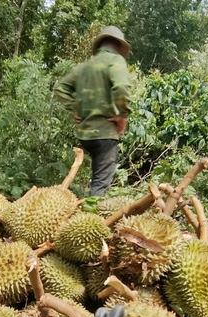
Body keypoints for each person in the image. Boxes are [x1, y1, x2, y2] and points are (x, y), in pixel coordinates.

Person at [54, 26, 133, 197]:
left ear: (100, 45)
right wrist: (122, 116)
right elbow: (122, 87)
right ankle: (92, 218)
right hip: (104, 134)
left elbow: (60, 88)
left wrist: (75, 108)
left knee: (93, 179)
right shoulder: (115, 61)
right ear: (119, 46)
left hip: (85, 135)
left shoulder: (84, 67)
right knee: (99, 186)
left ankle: (84, 213)